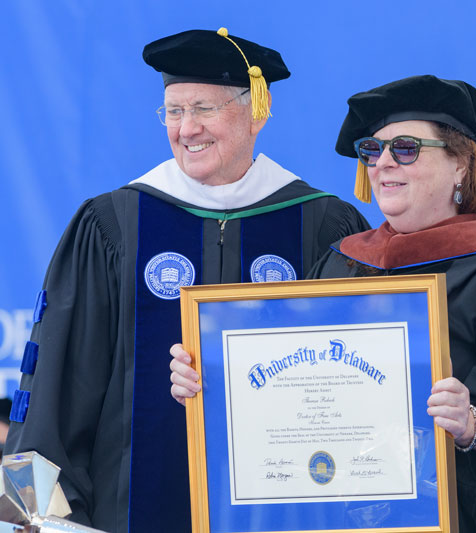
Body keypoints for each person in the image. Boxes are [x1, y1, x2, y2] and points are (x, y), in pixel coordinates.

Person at [5, 28, 368, 533]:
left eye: (204, 108)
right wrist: (39, 516)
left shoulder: (320, 226)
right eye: (173, 111)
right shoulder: (114, 223)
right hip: (124, 515)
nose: (186, 128)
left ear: (256, 113)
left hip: (285, 513)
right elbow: (58, 389)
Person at [171, 74, 476, 532]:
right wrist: (209, 378)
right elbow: (291, 380)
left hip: (450, 516)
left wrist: (472, 426)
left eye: (405, 148)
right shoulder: (343, 260)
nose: (383, 162)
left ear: (460, 165)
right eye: (372, 150)